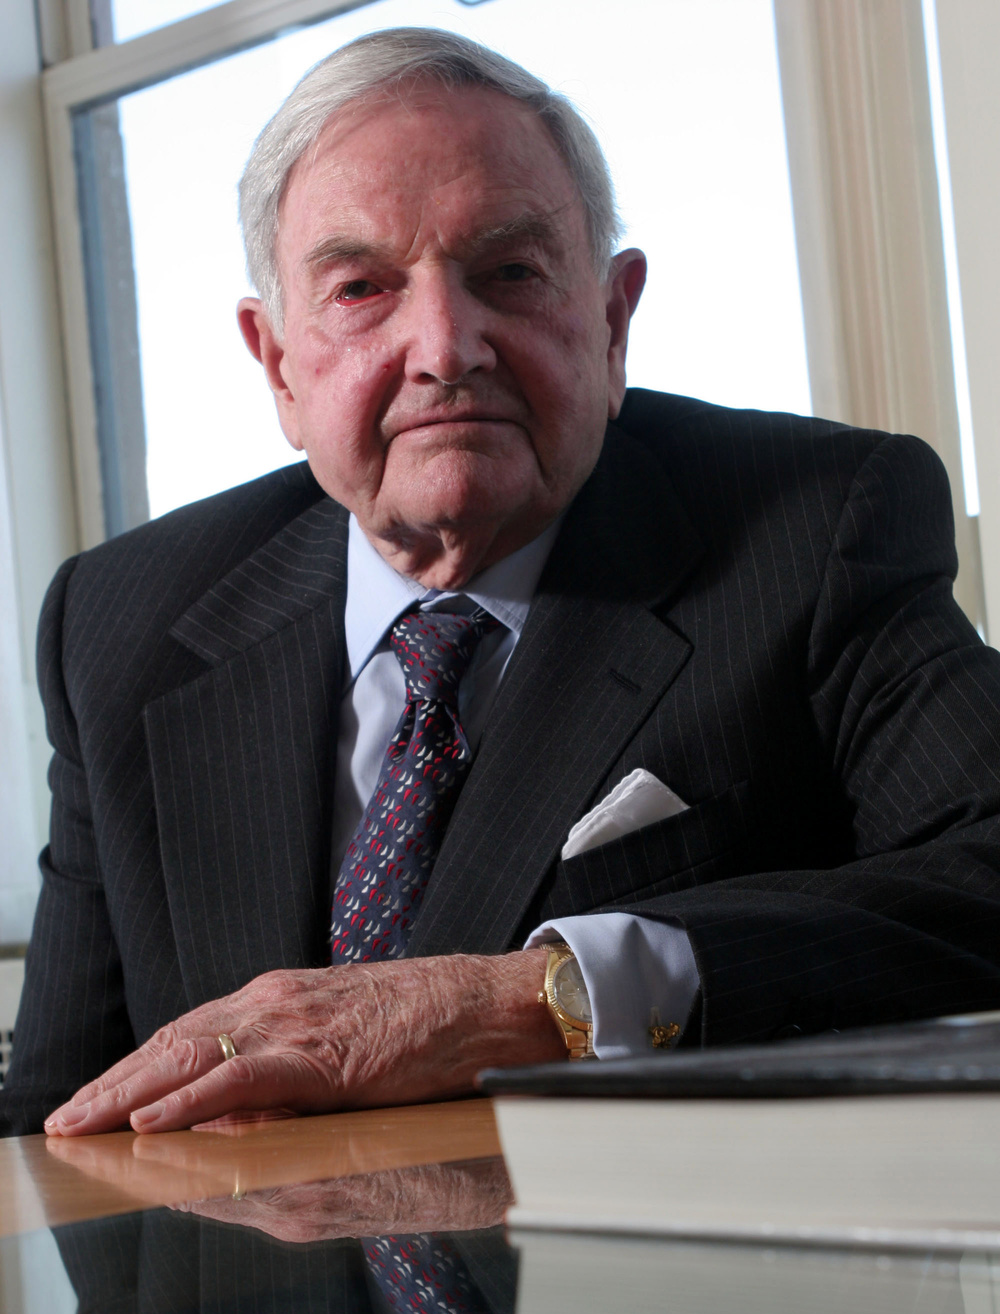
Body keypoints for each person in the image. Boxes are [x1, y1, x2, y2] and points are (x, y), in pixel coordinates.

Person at [6, 27, 1000, 1141]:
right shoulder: (120, 621)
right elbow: (57, 1123)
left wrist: (537, 997)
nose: (445, 345)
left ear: (614, 319)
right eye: (360, 287)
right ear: (276, 363)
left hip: (668, 1301)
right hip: (256, 1305)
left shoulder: (814, 530)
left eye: (510, 273)